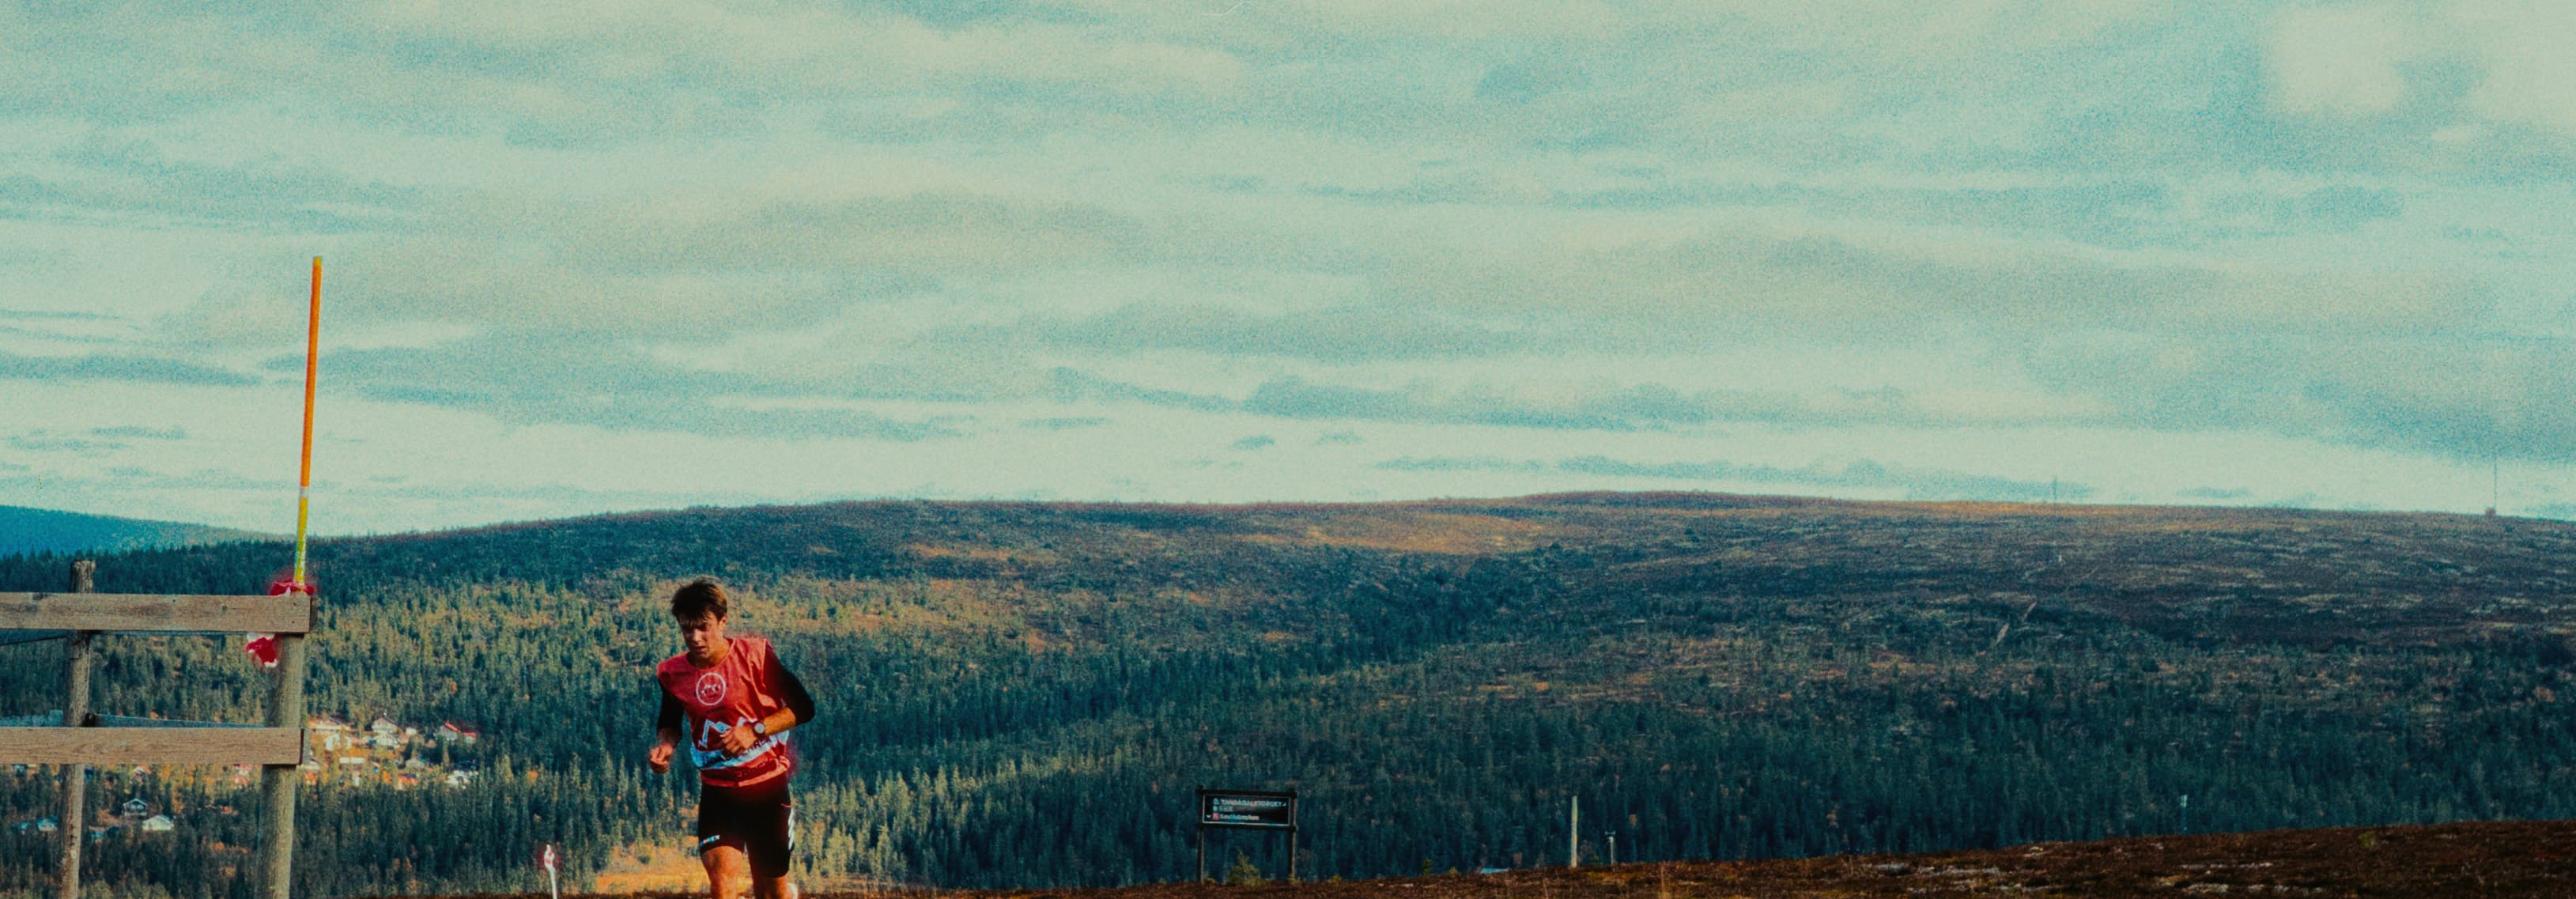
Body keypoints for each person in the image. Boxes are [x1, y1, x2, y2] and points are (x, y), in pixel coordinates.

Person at [648, 579, 818, 899]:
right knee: (722, 887)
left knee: (771, 893)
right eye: (686, 630)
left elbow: (804, 708)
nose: (695, 638)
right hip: (718, 791)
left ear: (723, 621)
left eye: (703, 627)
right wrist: (665, 748)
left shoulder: (755, 656)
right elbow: (670, 723)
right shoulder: (673, 674)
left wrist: (754, 729)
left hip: (767, 787)